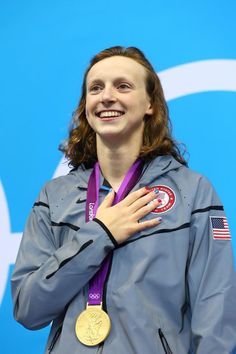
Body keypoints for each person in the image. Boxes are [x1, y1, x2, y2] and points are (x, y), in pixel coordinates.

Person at [11, 46, 236, 354]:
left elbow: (216, 312)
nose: (106, 96)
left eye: (123, 86)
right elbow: (28, 308)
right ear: (86, 106)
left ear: (150, 105)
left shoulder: (192, 192)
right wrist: (99, 234)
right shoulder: (54, 197)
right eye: (96, 88)